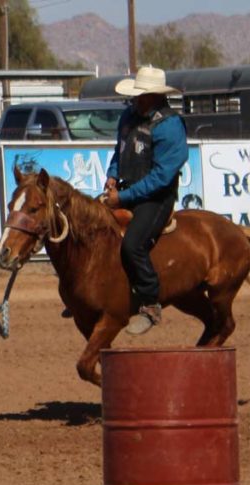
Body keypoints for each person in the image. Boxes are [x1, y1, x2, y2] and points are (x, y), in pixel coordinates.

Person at [101, 65, 189, 335]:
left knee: (133, 244)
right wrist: (113, 175)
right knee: (90, 225)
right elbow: (121, 151)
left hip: (156, 198)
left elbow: (162, 177)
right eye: (136, 95)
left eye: (141, 95)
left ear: (155, 96)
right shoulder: (129, 116)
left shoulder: (170, 125)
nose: (136, 100)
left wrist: (123, 197)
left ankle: (151, 303)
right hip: (126, 190)